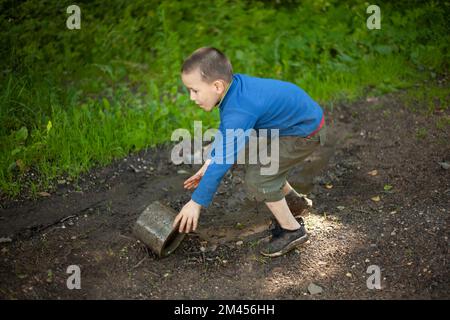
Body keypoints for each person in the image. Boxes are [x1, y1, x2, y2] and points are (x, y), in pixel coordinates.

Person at [173, 47, 326, 257]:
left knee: (260, 177)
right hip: (292, 124)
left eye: (195, 90)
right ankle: (294, 202)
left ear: (217, 86)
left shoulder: (239, 109)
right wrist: (208, 164)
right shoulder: (235, 90)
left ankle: (292, 231)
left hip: (304, 133)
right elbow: (228, 137)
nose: (191, 97)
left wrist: (196, 202)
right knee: (258, 159)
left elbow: (225, 156)